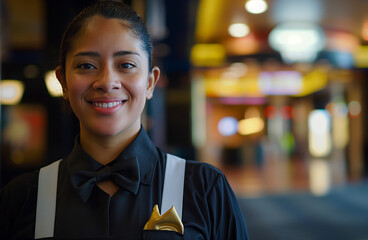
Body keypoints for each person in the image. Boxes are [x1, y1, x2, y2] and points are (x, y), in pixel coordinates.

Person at [0, 1, 249, 239]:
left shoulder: (204, 189)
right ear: (63, 82)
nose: (107, 82)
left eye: (126, 64)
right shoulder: (23, 198)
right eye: (86, 65)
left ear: (150, 82)